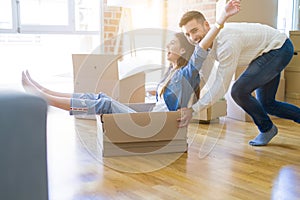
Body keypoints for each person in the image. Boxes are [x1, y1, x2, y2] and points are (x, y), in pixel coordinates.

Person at [22, 0, 240, 123]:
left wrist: (221, 19)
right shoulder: (169, 72)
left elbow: (200, 51)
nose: (167, 48)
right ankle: (45, 91)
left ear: (183, 49)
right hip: (152, 115)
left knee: (104, 103)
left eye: (171, 45)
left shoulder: (188, 72)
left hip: (159, 123)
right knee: (99, 97)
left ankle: (45, 98)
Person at [178, 2, 300, 146]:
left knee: (238, 91)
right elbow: (204, 76)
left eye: (194, 30)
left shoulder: (226, 43)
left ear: (206, 25)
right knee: (268, 104)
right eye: (187, 34)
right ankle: (268, 128)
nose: (192, 38)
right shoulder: (206, 47)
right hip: (267, 51)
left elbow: (221, 86)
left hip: (278, 48)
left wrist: (194, 110)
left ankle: (267, 129)